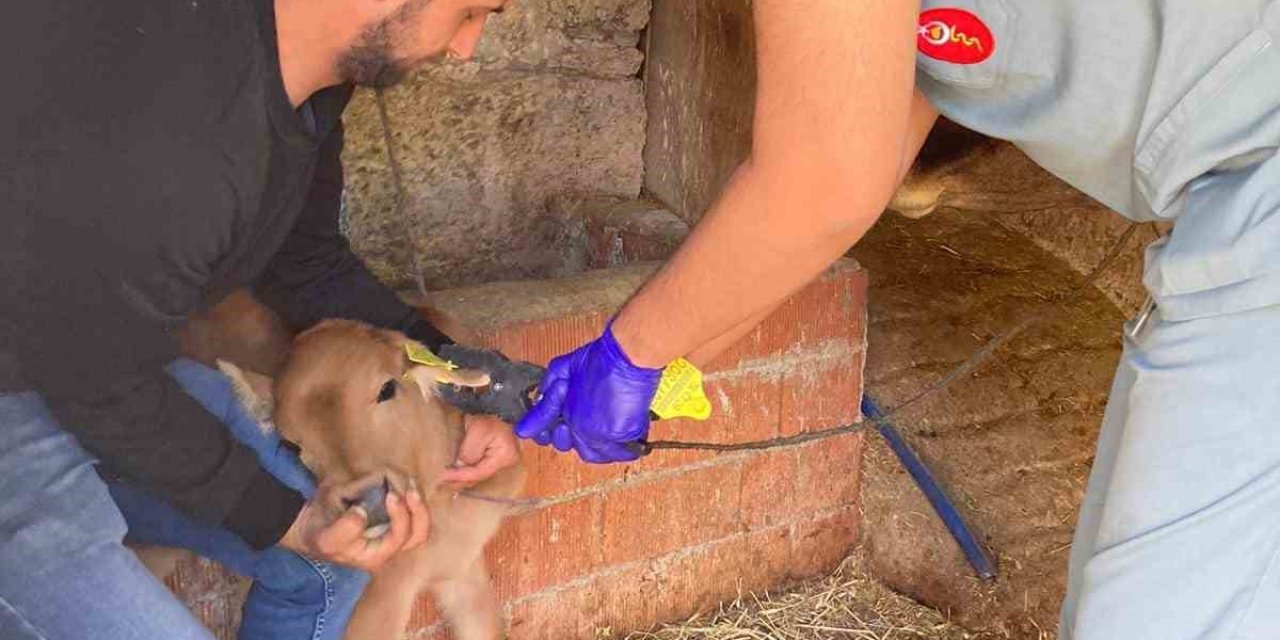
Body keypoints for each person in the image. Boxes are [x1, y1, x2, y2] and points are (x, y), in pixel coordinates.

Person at [515, 1, 1280, 638]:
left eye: (478, 12)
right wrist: (655, 372)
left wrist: (628, 355)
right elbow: (856, 166)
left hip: (1257, 206)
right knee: (1114, 600)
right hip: (1229, 219)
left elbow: (822, 185)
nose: (468, 47)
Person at [1, 0, 520, 638]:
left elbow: (305, 264)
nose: (467, 47)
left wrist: (463, 379)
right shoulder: (175, 136)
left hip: (89, 364)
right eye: (469, 11)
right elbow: (95, 377)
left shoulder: (308, 96)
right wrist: (287, 519)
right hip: (33, 395)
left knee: (331, 563)